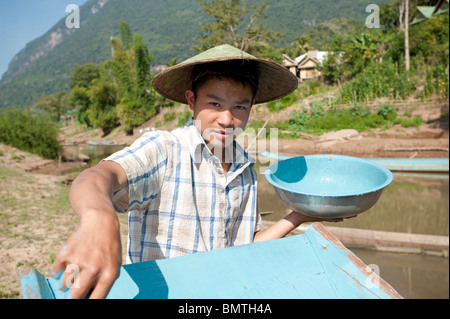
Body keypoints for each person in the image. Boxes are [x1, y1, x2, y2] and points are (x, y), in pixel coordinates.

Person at [52, 44, 342, 299]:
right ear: (192, 101)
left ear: (252, 105)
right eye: (214, 104)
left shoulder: (245, 168)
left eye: (239, 106)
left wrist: (297, 217)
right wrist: (100, 219)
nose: (227, 119)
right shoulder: (164, 150)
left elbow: (244, 246)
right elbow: (95, 178)